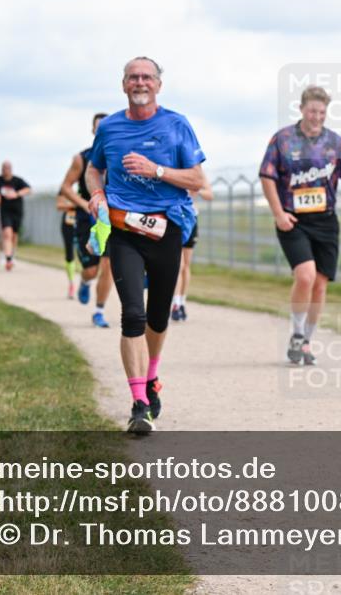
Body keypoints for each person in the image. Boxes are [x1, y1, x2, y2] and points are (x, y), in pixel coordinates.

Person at [85, 56, 206, 433]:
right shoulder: (110, 127)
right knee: (133, 314)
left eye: (147, 77)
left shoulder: (176, 125)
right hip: (123, 230)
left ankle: (152, 378)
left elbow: (198, 179)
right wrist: (99, 195)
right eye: (133, 77)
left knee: (157, 316)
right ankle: (139, 403)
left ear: (158, 85)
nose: (140, 82)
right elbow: (94, 168)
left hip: (165, 229)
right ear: (124, 85)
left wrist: (156, 171)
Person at [259, 85, 341, 365]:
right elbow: (267, 176)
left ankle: (306, 340)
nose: (317, 116)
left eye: (322, 112)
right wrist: (279, 213)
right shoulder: (282, 140)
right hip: (293, 219)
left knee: (319, 285)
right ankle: (295, 333)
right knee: (305, 276)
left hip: (325, 220)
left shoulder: (335, 143)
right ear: (302, 109)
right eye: (312, 110)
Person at [60, 112, 114, 327]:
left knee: (108, 265)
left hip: (111, 218)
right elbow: (65, 187)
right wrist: (83, 203)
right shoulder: (81, 159)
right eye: (98, 128)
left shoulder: (119, 155)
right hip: (87, 217)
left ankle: (99, 311)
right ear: (93, 131)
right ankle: (85, 281)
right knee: (91, 270)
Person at [171, 179, 213, 322]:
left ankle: (182, 301)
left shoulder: (196, 171)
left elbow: (209, 194)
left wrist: (197, 190)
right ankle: (175, 303)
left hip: (191, 218)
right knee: (179, 264)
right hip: (176, 216)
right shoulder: (173, 166)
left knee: (186, 265)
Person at [0, 161, 31, 270]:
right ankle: (8, 259)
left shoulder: (18, 181)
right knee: (7, 234)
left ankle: (12, 254)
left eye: (7, 168)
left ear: (11, 169)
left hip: (17, 211)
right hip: (4, 211)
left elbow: (28, 189)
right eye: (3, 168)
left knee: (14, 235)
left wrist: (16, 194)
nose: (5, 170)